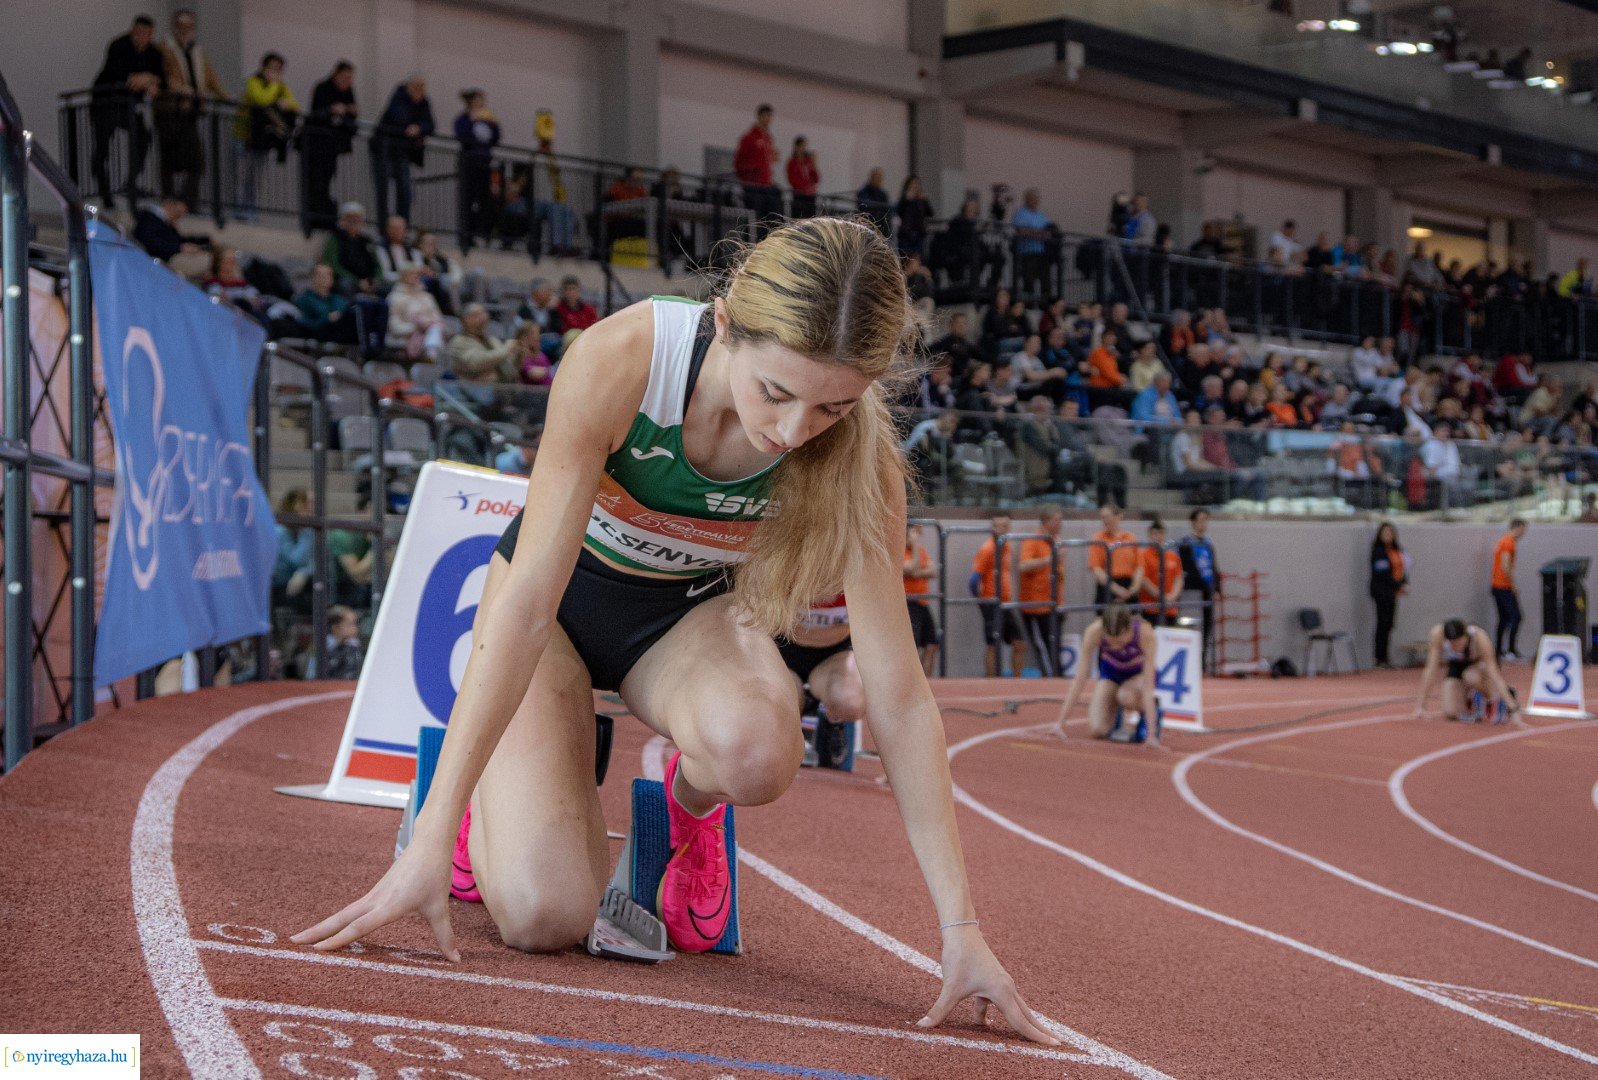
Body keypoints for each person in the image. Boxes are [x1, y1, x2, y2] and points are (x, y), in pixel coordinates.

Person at [291, 218, 1055, 1044]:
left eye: (832, 405)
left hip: (680, 617)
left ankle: (682, 822)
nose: (795, 432)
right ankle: (470, 788)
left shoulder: (856, 457)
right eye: (775, 392)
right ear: (724, 321)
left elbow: (899, 699)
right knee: (545, 917)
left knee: (761, 754)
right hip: (555, 614)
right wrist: (430, 839)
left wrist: (960, 931)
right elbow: (525, 606)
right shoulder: (621, 360)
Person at [776, 593, 864, 764]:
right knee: (782, 710)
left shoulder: (859, 575)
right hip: (782, 652)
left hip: (834, 655)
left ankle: (832, 722)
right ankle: (801, 706)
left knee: (850, 702)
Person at [1052, 604, 1160, 742]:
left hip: (1138, 676)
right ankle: (1115, 716)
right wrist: (1060, 723)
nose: (1115, 645)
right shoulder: (1094, 631)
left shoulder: (1145, 633)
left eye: (1119, 640)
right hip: (1111, 674)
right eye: (1111, 640)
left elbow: (1148, 684)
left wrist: (1151, 734)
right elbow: (1080, 679)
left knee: (1125, 696)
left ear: (1129, 628)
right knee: (1098, 730)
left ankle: (1153, 710)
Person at [156, 8, 229, 206]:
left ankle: (186, 201)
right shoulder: (164, 48)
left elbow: (210, 77)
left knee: (196, 161)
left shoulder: (196, 51)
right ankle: (170, 200)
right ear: (174, 26)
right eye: (181, 26)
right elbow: (166, 76)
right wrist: (181, 89)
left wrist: (227, 98)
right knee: (170, 158)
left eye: (189, 26)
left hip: (191, 112)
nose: (184, 30)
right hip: (170, 111)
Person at [90, 15, 165, 208]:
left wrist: (149, 79)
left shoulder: (154, 53)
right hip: (106, 104)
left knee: (143, 136)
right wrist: (142, 79)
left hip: (129, 107)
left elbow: (161, 78)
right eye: (138, 32)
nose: (141, 37)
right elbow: (117, 74)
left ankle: (131, 182)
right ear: (132, 30)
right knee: (103, 148)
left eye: (146, 34)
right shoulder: (118, 46)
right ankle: (104, 191)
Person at [1414, 618, 1520, 723]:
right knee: (1451, 712)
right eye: (1452, 644)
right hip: (1457, 664)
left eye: (1459, 643)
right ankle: (1471, 697)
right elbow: (1431, 670)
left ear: (1465, 636)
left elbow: (1493, 673)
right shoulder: (1437, 634)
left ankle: (1504, 694)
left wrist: (1513, 709)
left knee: (1470, 676)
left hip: (1479, 664)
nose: (1456, 647)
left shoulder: (1480, 638)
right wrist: (1421, 705)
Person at [234, 53, 299, 221]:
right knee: (241, 175)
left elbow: (294, 105)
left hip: (263, 139)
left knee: (256, 177)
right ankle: (239, 210)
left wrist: (285, 102)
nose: (274, 73)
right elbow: (261, 99)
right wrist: (274, 86)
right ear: (263, 68)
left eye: (278, 70)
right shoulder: (253, 82)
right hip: (245, 135)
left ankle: (252, 211)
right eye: (271, 68)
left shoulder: (280, 87)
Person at [371, 75, 434, 224]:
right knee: (384, 190)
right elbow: (400, 118)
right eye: (417, 88)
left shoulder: (423, 102)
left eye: (422, 89)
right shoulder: (399, 98)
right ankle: (384, 225)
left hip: (402, 153)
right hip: (385, 150)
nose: (420, 92)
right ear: (409, 88)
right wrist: (415, 127)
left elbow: (430, 124)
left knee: (405, 191)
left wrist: (419, 128)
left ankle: (403, 224)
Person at [304, 62, 358, 230]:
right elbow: (315, 115)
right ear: (336, 74)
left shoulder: (348, 92)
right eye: (345, 77)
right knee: (316, 182)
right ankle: (314, 218)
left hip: (332, 147)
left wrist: (350, 111)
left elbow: (352, 118)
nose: (348, 81)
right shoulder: (323, 88)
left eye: (350, 78)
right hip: (317, 145)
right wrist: (332, 110)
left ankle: (323, 217)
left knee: (326, 181)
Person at [971, 513, 1026, 678]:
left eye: (1004, 526)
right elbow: (974, 579)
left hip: (1006, 602)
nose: (1001, 529)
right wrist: (983, 602)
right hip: (991, 602)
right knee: (992, 644)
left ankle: (1017, 680)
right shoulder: (988, 549)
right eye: (997, 525)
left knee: (1020, 643)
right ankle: (991, 680)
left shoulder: (1007, 547)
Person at [1015, 509, 1064, 677]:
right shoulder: (1033, 541)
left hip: (1052, 604)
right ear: (1046, 521)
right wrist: (1049, 559)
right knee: (1042, 646)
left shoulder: (1056, 542)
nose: (1060, 525)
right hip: (1034, 606)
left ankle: (1057, 677)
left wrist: (1060, 603)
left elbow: (1059, 576)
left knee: (1054, 646)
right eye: (1056, 520)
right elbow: (1023, 565)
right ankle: (1050, 678)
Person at [454, 90, 501, 243]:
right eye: (478, 100)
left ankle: (483, 232)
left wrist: (495, 125)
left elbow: (495, 139)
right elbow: (461, 136)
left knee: (485, 200)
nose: (481, 103)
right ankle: (466, 235)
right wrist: (471, 120)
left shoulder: (487, 119)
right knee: (468, 200)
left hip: (484, 163)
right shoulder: (463, 118)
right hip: (469, 163)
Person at [1178, 508, 1220, 674]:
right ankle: (1188, 660)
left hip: (1207, 590)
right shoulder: (1186, 543)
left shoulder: (1208, 543)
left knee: (1207, 626)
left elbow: (1213, 566)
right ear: (1193, 522)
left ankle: (1202, 660)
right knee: (1190, 624)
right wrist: (1202, 583)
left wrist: (1216, 587)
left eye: (1206, 520)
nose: (1203, 524)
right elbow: (1188, 568)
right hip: (1194, 590)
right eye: (1200, 520)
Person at [734, 104, 781, 229]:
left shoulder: (768, 139)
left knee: (773, 217)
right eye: (766, 116)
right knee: (757, 222)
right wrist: (748, 177)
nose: (768, 119)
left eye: (770, 116)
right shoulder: (749, 137)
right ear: (759, 116)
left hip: (766, 185)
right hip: (754, 186)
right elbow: (739, 161)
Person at [1368, 521, 1407, 669]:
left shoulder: (1397, 550)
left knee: (1390, 624)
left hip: (1393, 592)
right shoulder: (1378, 552)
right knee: (1382, 624)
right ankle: (1379, 658)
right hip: (1381, 592)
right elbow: (1382, 573)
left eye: (1390, 533)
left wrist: (1403, 583)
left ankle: (1385, 656)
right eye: (1385, 533)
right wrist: (1398, 585)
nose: (1388, 536)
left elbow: (1402, 568)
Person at [903, 523, 940, 677]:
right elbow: (911, 569)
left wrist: (918, 571)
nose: (918, 535)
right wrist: (915, 544)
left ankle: (928, 684)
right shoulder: (900, 552)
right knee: (914, 647)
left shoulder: (920, 551)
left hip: (923, 603)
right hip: (909, 603)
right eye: (914, 532)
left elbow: (932, 571)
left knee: (932, 644)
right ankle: (914, 684)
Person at [1088, 502, 1137, 610]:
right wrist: (1116, 589)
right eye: (1102, 517)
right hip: (1107, 585)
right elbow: (1097, 569)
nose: (1104, 520)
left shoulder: (1131, 538)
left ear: (1118, 516)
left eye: (1107, 516)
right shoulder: (1097, 539)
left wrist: (1134, 588)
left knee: (1135, 623)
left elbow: (1139, 567)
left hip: (1128, 585)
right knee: (1103, 623)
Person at [1135, 519, 1183, 626]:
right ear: (1149, 536)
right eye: (1154, 534)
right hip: (1150, 608)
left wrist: (1173, 596)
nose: (1158, 537)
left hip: (1170, 608)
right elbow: (1144, 580)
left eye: (1161, 533)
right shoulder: (1143, 556)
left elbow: (1178, 578)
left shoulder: (1173, 556)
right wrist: (1162, 596)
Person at [1491, 518, 1527, 661]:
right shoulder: (1508, 543)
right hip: (1503, 586)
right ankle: (1510, 650)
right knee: (1516, 617)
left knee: (1504, 619)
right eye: (1523, 529)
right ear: (1517, 527)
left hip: (1497, 585)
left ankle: (1499, 650)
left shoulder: (1503, 542)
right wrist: (1513, 584)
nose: (1524, 533)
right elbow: (1505, 565)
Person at [133, 195, 208, 263]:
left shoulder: (163, 223)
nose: (179, 218)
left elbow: (178, 239)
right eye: (178, 213)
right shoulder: (150, 220)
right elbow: (152, 243)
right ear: (169, 206)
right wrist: (179, 248)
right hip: (161, 261)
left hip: (169, 257)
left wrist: (203, 241)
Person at [896, 176, 935, 259]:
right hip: (906, 234)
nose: (915, 186)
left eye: (917, 184)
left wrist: (925, 200)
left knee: (920, 258)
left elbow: (930, 213)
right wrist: (906, 199)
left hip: (920, 233)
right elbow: (898, 212)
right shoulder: (904, 198)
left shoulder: (921, 199)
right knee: (906, 258)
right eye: (913, 184)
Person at [787, 136, 819, 218]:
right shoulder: (792, 162)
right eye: (801, 146)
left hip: (810, 195)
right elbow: (792, 179)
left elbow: (816, 178)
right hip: (799, 195)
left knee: (811, 219)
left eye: (804, 146)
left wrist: (814, 164)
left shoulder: (808, 161)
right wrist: (802, 187)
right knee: (798, 218)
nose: (803, 148)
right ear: (796, 147)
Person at [856, 168, 892, 235]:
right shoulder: (864, 192)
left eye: (880, 178)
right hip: (868, 226)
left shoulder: (882, 194)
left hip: (882, 227)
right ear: (871, 178)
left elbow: (887, 210)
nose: (879, 180)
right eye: (877, 178)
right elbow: (865, 207)